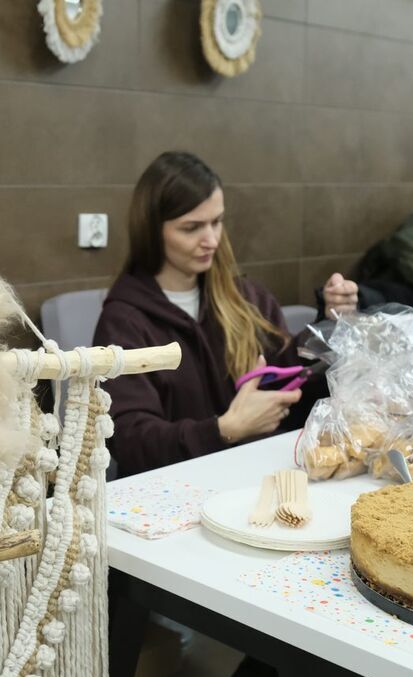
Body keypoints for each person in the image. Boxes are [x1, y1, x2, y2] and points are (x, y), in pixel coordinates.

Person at [92, 151, 358, 479]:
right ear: (151, 231)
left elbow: (292, 391)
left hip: (253, 480)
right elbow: (131, 441)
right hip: (170, 493)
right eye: (191, 228)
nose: (211, 240)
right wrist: (223, 430)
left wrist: (329, 328)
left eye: (216, 222)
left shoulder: (249, 300)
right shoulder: (124, 322)